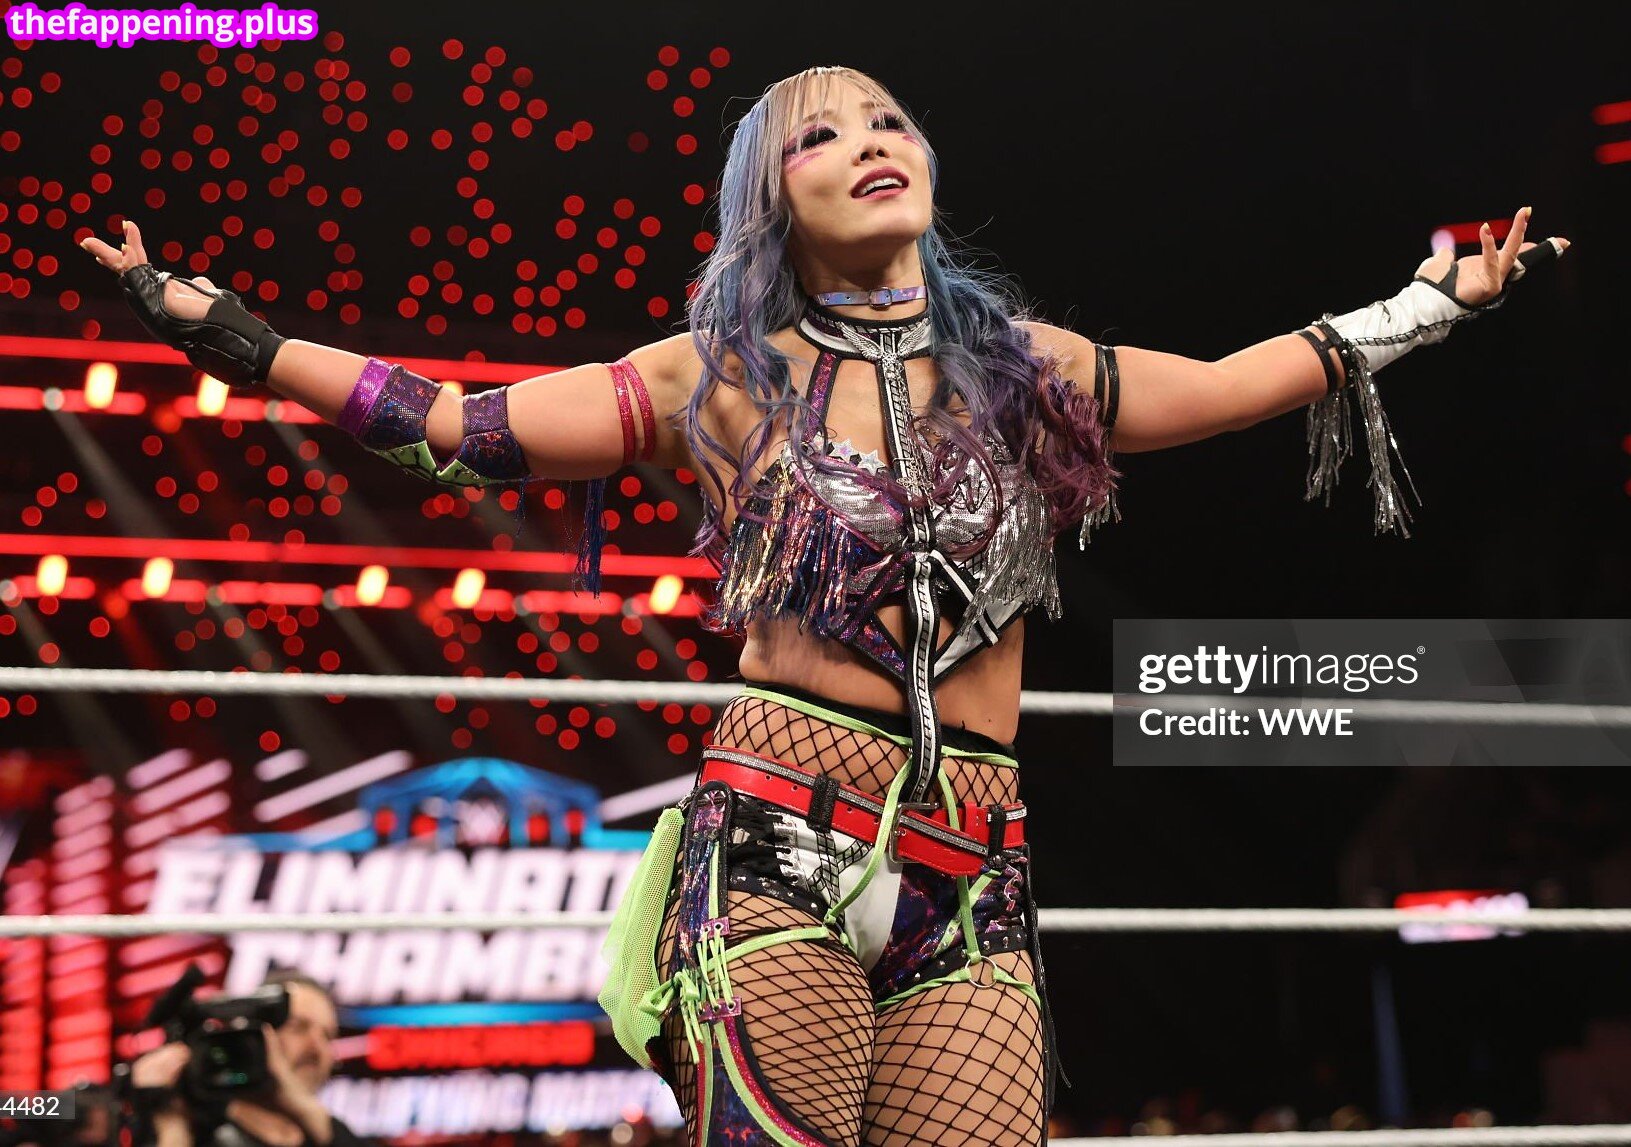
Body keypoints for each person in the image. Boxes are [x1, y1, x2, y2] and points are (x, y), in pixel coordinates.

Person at [82, 64, 1568, 1147]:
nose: (865, 141)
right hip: (774, 844)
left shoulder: (1028, 367)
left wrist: (1431, 303)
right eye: (818, 134)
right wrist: (244, 339)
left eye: (885, 120)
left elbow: (1240, 385)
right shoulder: (715, 375)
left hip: (972, 865)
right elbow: (457, 425)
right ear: (768, 199)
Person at [126, 971, 371, 1147]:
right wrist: (170, 1126)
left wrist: (306, 1110)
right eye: (298, 1027)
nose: (317, 1049)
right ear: (256, 1034)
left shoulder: (333, 1138)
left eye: (328, 1036)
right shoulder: (196, 1128)